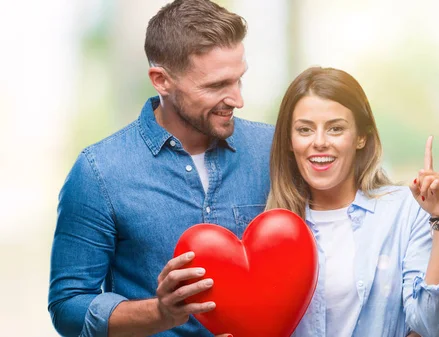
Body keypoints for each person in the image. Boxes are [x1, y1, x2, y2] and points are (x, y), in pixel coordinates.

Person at [48, 1, 273, 336]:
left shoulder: (272, 150)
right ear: (161, 80)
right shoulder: (99, 172)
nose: (237, 100)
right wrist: (159, 312)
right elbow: (67, 306)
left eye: (239, 80)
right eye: (216, 86)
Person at [266, 67, 439, 337]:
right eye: (305, 130)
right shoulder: (271, 227)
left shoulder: (405, 210)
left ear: (361, 137)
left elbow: (430, 325)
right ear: (289, 140)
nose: (319, 142)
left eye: (335, 128)